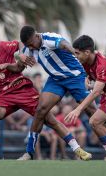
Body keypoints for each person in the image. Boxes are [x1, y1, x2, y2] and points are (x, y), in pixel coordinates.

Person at [0, 31, 91, 161]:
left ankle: (77, 149)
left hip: (23, 90)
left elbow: (21, 44)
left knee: (51, 121)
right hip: (5, 95)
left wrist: (21, 55)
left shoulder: (1, 47)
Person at [17, 25, 95, 160]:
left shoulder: (49, 38)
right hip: (56, 80)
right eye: (27, 46)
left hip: (75, 76)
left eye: (31, 44)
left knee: (93, 113)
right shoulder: (28, 49)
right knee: (40, 110)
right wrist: (16, 57)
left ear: (36, 36)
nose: (30, 48)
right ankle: (29, 152)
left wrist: (77, 55)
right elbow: (18, 67)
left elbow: (65, 44)